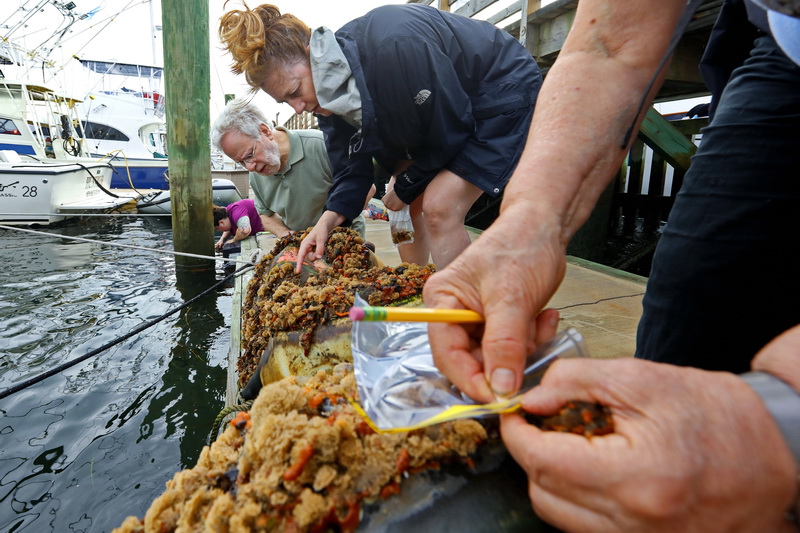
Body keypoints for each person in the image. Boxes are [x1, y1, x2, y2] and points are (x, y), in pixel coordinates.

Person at [420, 0, 800, 528]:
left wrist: (781, 420)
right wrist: (529, 224)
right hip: (785, 51)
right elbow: (611, 41)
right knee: (683, 332)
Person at [218, 3, 542, 269]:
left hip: (495, 93)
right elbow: (350, 170)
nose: (298, 106)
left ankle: (461, 314)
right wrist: (327, 222)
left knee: (440, 205)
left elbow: (451, 127)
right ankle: (414, 281)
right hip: (427, 116)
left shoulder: (394, 44)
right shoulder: (327, 100)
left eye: (295, 91)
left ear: (312, 53)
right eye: (285, 102)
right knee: (402, 206)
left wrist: (405, 185)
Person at [210, 97, 370, 239]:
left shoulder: (322, 146)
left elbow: (366, 188)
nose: (249, 167)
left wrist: (325, 228)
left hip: (344, 243)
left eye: (249, 155)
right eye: (241, 162)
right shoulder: (256, 175)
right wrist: (289, 236)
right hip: (302, 248)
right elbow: (264, 215)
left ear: (265, 131)